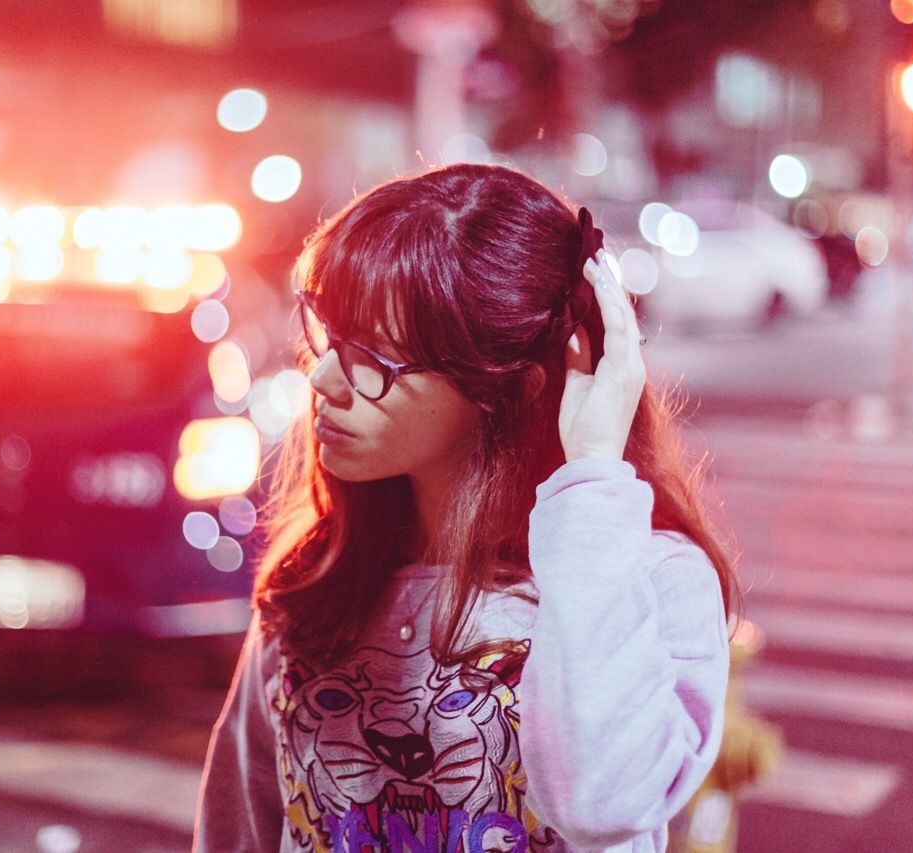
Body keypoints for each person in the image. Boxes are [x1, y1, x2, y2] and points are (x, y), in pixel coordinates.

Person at [193, 163, 739, 853]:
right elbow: (239, 830)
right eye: (326, 332)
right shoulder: (319, 580)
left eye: (373, 358)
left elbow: (602, 802)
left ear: (505, 391)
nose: (322, 375)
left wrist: (595, 471)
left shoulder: (646, 577)